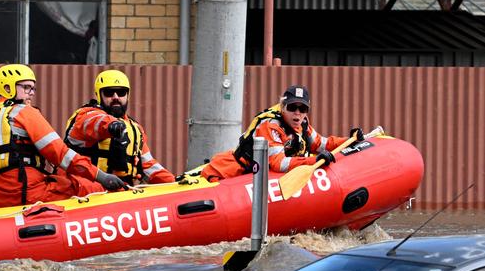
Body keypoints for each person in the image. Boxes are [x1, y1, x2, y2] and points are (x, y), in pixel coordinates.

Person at [0, 64, 126, 211]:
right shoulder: (24, 112)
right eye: (26, 88)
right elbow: (61, 155)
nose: (31, 94)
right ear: (8, 87)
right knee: (84, 186)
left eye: (32, 89)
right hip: (24, 190)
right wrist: (102, 177)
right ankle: (121, 206)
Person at [201, 84, 364, 181]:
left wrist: (351, 140)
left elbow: (322, 144)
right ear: (282, 107)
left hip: (257, 175)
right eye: (292, 108)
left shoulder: (302, 125)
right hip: (233, 172)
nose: (297, 113)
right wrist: (314, 161)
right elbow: (279, 163)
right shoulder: (270, 125)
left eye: (303, 109)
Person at [64, 69, 175, 186]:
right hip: (85, 193)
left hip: (121, 193)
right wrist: (112, 125)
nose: (115, 97)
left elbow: (149, 165)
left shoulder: (135, 128)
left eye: (121, 92)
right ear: (98, 95)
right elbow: (95, 122)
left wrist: (174, 182)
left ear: (127, 95)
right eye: (109, 93)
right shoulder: (86, 115)